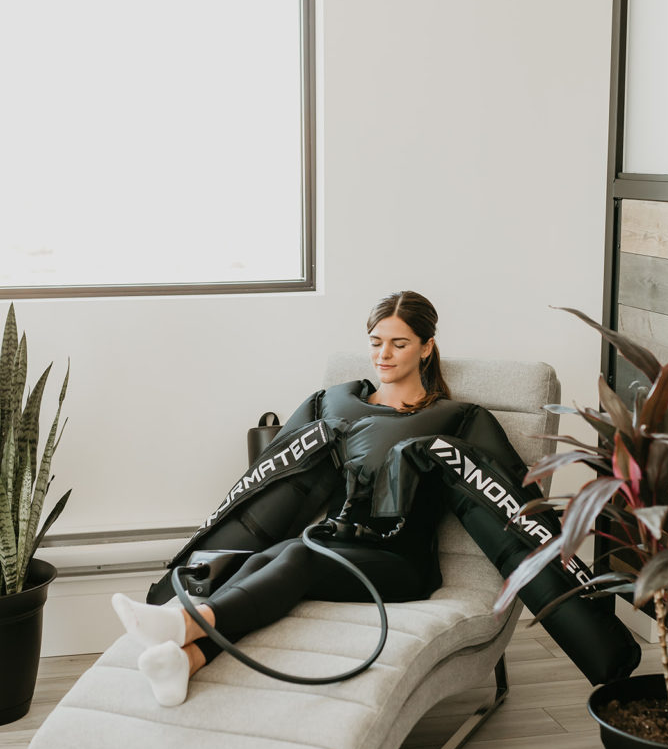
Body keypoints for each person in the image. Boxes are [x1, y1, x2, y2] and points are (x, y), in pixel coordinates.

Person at [113, 290, 456, 706]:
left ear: (426, 347)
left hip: (403, 563)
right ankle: (185, 662)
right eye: (375, 342)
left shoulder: (452, 419)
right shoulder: (343, 406)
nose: (383, 354)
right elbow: (283, 468)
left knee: (299, 557)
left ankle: (184, 623)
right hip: (340, 544)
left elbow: (498, 492)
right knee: (265, 558)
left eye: (398, 344)